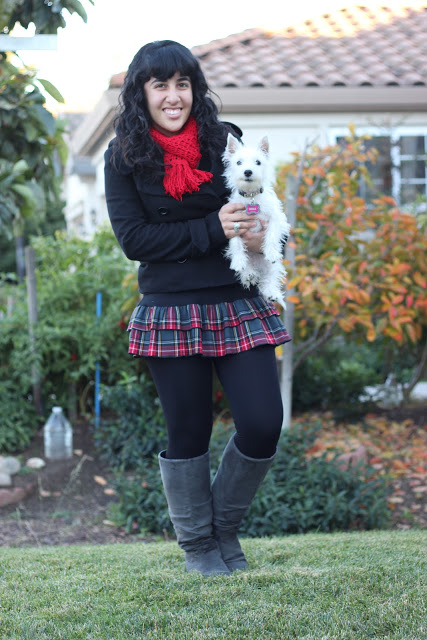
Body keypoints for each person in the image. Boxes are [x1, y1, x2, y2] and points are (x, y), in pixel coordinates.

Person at [104, 40, 291, 577]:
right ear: (142, 93)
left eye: (182, 83)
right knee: (188, 432)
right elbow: (137, 239)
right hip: (171, 308)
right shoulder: (123, 156)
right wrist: (215, 228)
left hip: (237, 300)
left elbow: (267, 215)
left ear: (195, 89)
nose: (173, 96)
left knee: (262, 423)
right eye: (160, 85)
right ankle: (199, 548)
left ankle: (223, 530)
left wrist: (263, 243)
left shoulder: (225, 141)